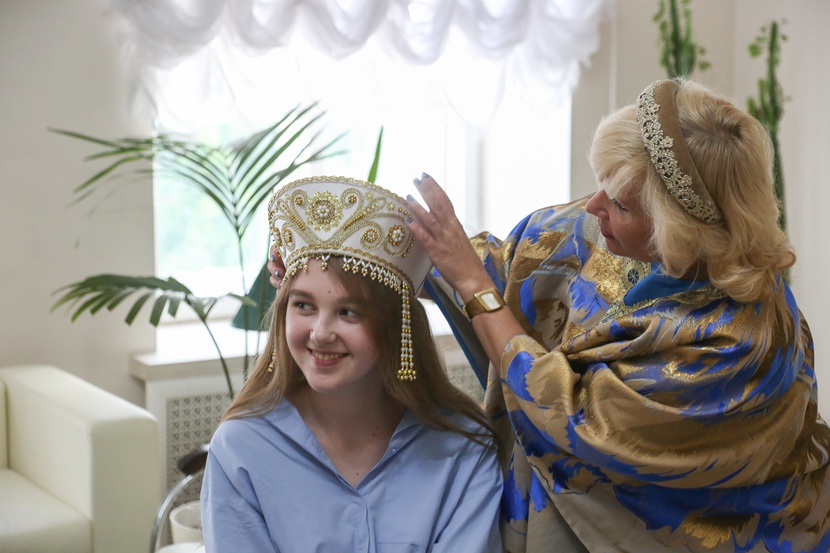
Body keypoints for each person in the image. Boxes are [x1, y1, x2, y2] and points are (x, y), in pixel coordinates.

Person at [395, 79, 829, 552]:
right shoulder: (607, 228)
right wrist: (398, 253)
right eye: (602, 183)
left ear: (679, 231)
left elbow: (569, 413)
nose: (593, 205)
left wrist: (471, 285)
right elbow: (509, 264)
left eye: (620, 203)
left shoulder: (740, 344)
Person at [202, 176, 503, 552]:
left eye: (348, 311)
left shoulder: (463, 448)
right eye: (303, 305)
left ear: (395, 325)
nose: (320, 333)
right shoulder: (240, 448)